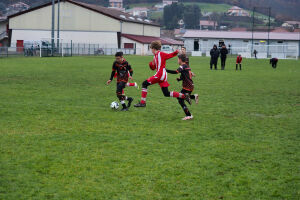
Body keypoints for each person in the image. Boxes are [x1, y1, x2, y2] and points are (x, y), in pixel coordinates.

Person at [134, 40, 191, 108]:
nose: (151, 50)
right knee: (166, 93)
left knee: (144, 83)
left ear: (153, 48)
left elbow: (169, 55)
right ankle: (184, 96)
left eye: (151, 49)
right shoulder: (155, 56)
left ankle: (142, 103)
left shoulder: (160, 54)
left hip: (160, 75)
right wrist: (151, 65)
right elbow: (153, 68)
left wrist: (176, 52)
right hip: (162, 76)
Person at [166, 54, 199, 120]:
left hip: (188, 87)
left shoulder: (182, 66)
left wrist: (166, 70)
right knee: (180, 98)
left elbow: (176, 72)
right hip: (188, 86)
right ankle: (193, 97)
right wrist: (180, 79)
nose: (177, 60)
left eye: (178, 59)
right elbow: (186, 75)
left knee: (180, 99)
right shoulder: (187, 66)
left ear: (180, 59)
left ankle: (189, 115)